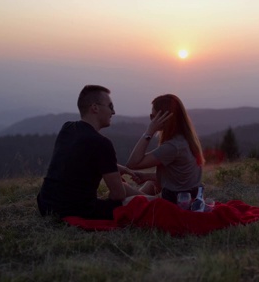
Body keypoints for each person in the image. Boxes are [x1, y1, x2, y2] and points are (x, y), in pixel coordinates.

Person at [37, 85, 142, 220]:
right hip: (76, 211)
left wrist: (120, 168)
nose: (114, 112)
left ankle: (149, 195)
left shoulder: (67, 128)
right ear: (95, 108)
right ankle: (157, 200)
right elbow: (118, 195)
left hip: (45, 205)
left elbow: (81, 160)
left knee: (126, 188)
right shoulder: (101, 143)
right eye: (110, 106)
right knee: (131, 199)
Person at [125, 94, 205, 204]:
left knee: (124, 189)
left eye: (153, 117)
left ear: (164, 117)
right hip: (189, 196)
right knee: (151, 184)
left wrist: (149, 132)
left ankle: (133, 203)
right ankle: (135, 202)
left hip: (176, 202)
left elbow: (132, 163)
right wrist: (146, 176)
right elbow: (178, 178)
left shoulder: (172, 146)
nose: (152, 120)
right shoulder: (184, 139)